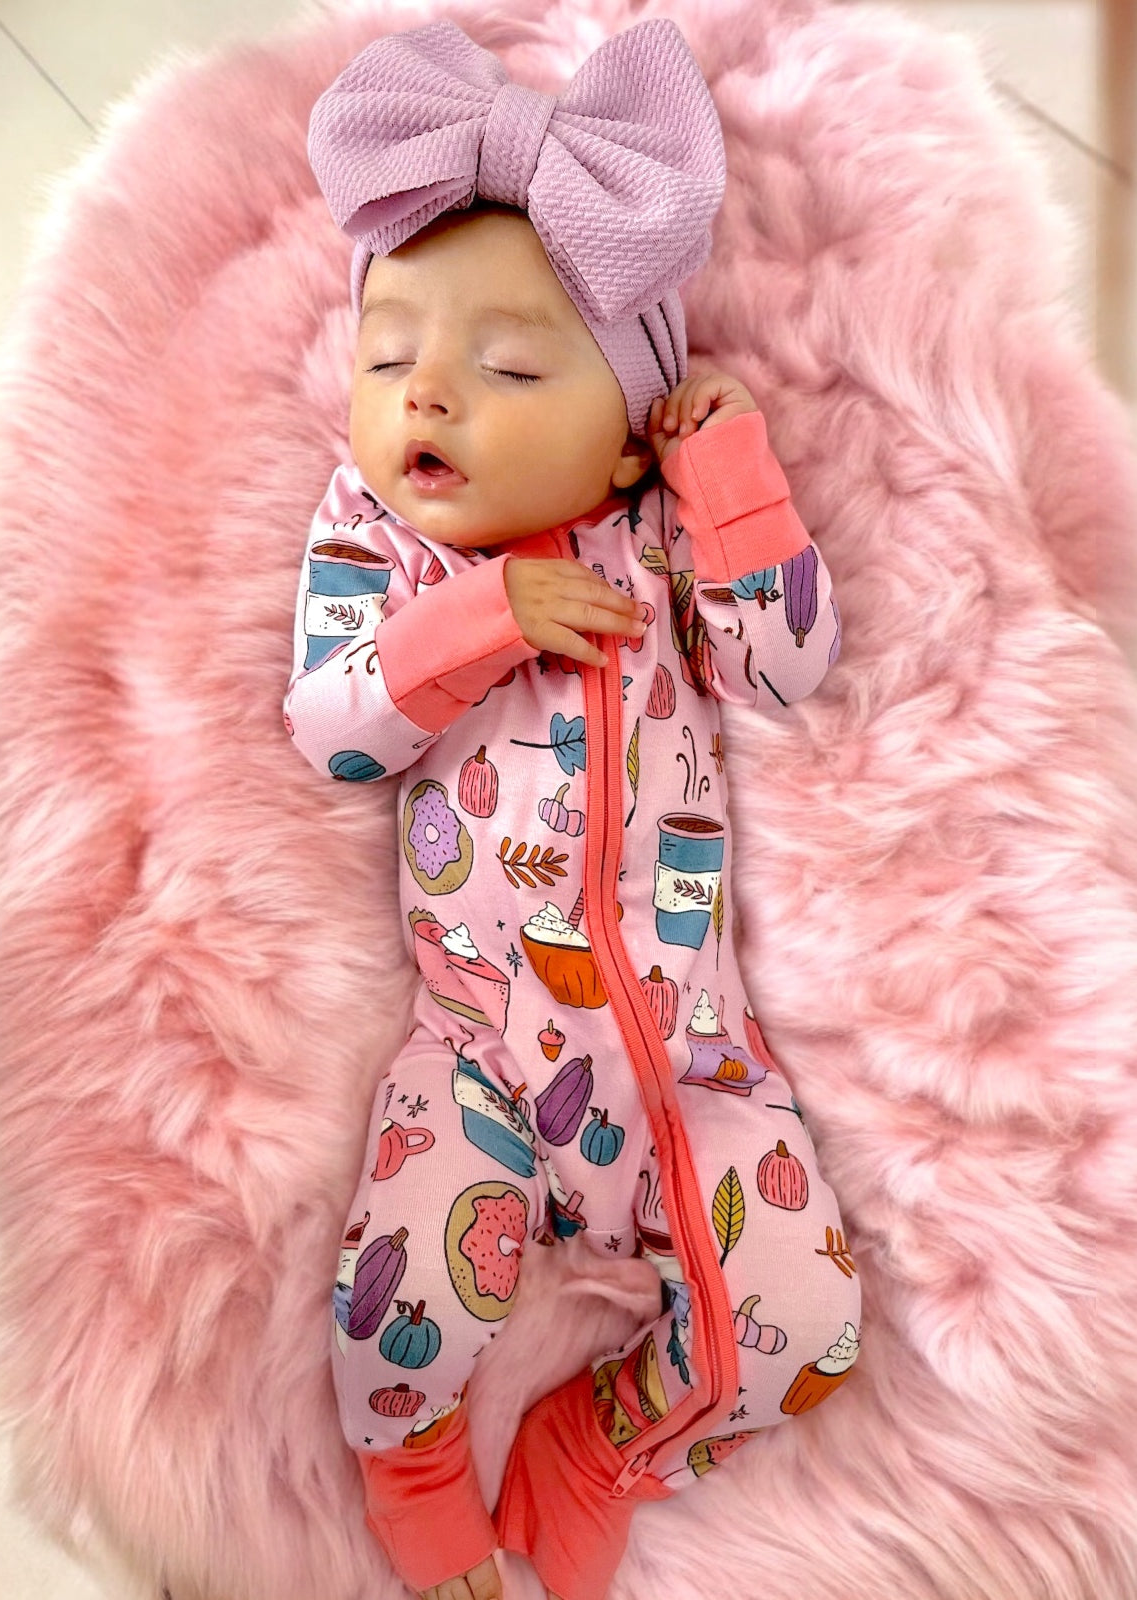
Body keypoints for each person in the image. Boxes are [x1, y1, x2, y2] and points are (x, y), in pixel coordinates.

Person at [286, 18, 861, 1600]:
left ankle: (602, 1445)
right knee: (397, 1303)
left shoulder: (657, 533)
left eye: (511, 367)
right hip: (479, 1051)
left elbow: (788, 666)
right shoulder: (381, 542)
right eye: (389, 358)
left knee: (809, 1329)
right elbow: (333, 731)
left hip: (696, 1060)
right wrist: (480, 620)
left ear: (619, 432)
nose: (429, 395)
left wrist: (727, 479)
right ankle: (413, 1468)